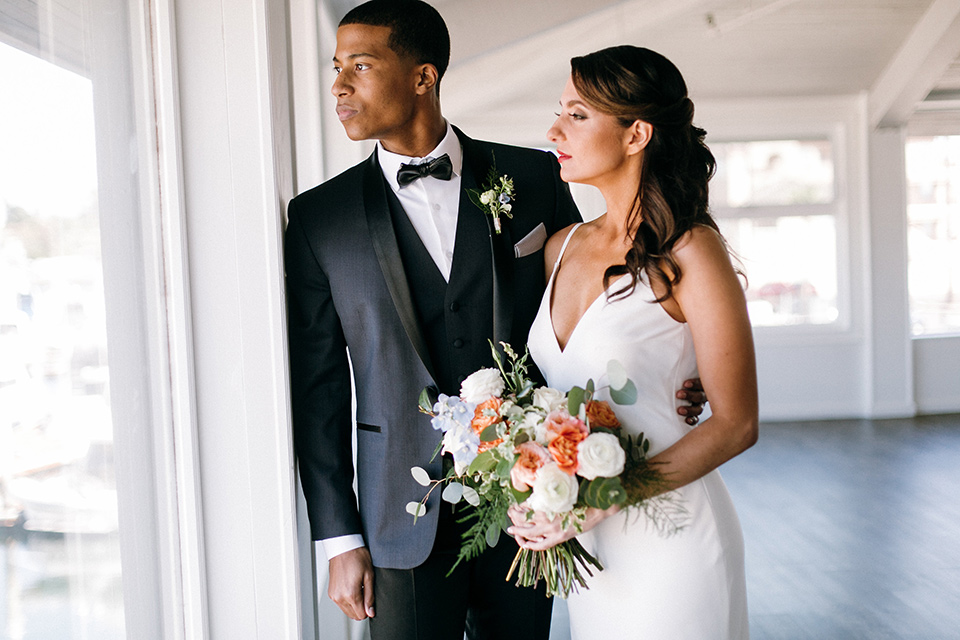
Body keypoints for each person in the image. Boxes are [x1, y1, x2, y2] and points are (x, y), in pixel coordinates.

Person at [284, 2, 707, 637]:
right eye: (336, 66)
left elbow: (605, 293)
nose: (340, 85)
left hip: (533, 497)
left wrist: (680, 368)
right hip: (400, 515)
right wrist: (338, 538)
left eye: (362, 65)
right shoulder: (320, 218)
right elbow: (315, 390)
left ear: (423, 77)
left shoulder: (535, 176)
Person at [508, 46, 758, 640]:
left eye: (576, 115)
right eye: (558, 113)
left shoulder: (692, 252)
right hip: (590, 549)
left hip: (672, 543)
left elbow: (737, 423)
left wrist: (607, 495)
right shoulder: (560, 247)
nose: (553, 131)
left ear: (635, 133)